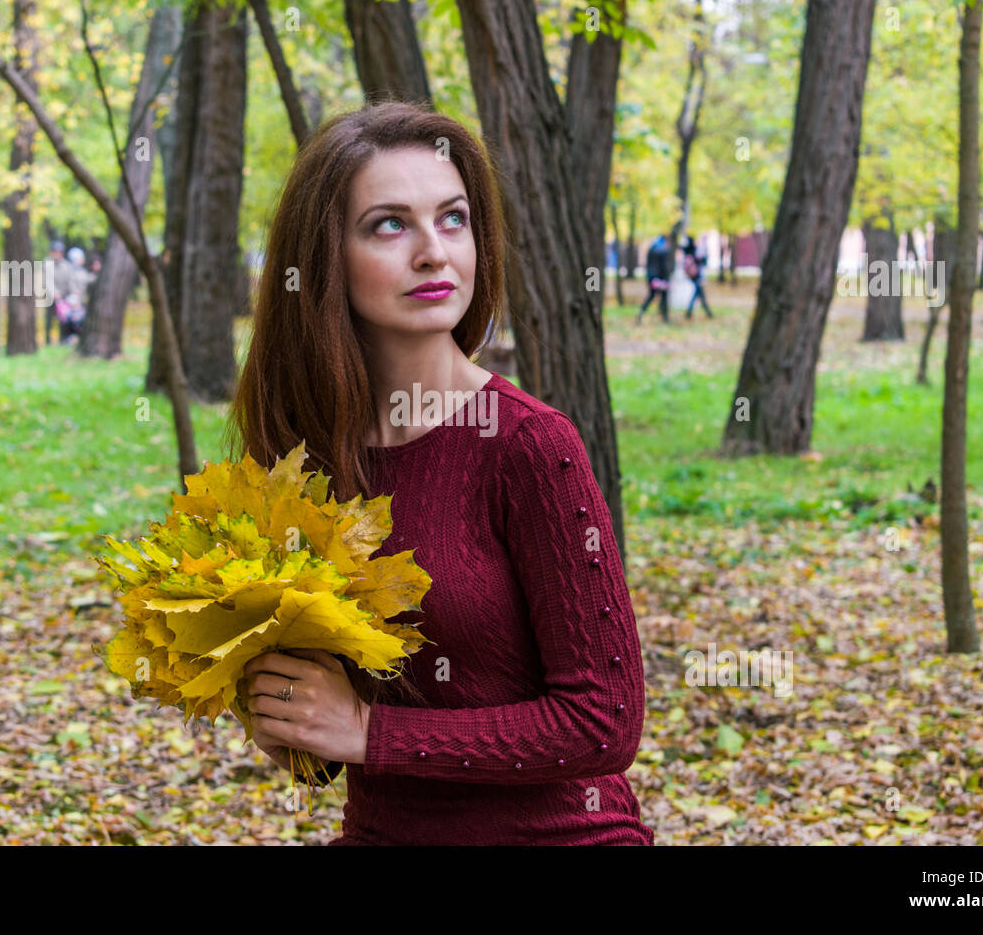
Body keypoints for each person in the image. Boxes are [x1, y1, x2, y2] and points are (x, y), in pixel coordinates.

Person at [226, 101, 652, 846]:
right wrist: (291, 721)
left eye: (453, 219)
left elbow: (604, 722)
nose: (434, 252)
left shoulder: (529, 446)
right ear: (325, 256)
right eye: (389, 224)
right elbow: (323, 748)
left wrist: (368, 731)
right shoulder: (306, 457)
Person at [636, 233, 673, 324]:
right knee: (664, 297)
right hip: (660, 278)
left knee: (652, 296)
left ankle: (641, 313)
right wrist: (666, 279)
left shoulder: (652, 248)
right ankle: (665, 317)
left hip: (652, 277)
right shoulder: (664, 250)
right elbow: (664, 267)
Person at [59, 246, 92, 345]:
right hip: (71, 303)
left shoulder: (82, 272)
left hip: (79, 302)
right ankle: (68, 340)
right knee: (70, 322)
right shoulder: (69, 272)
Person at [682, 234, 712, 319]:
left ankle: (690, 312)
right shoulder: (694, 250)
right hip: (697, 275)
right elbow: (702, 261)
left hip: (694, 276)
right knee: (699, 294)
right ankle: (706, 312)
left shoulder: (687, 250)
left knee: (697, 293)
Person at [45, 240, 68, 345]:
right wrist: (54, 293)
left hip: (63, 297)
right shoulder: (47, 263)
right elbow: (47, 280)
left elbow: (68, 281)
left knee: (63, 319)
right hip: (50, 297)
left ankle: (62, 340)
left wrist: (62, 294)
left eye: (58, 252)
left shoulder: (66, 266)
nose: (56, 254)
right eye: (54, 251)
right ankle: (47, 341)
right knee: (49, 319)